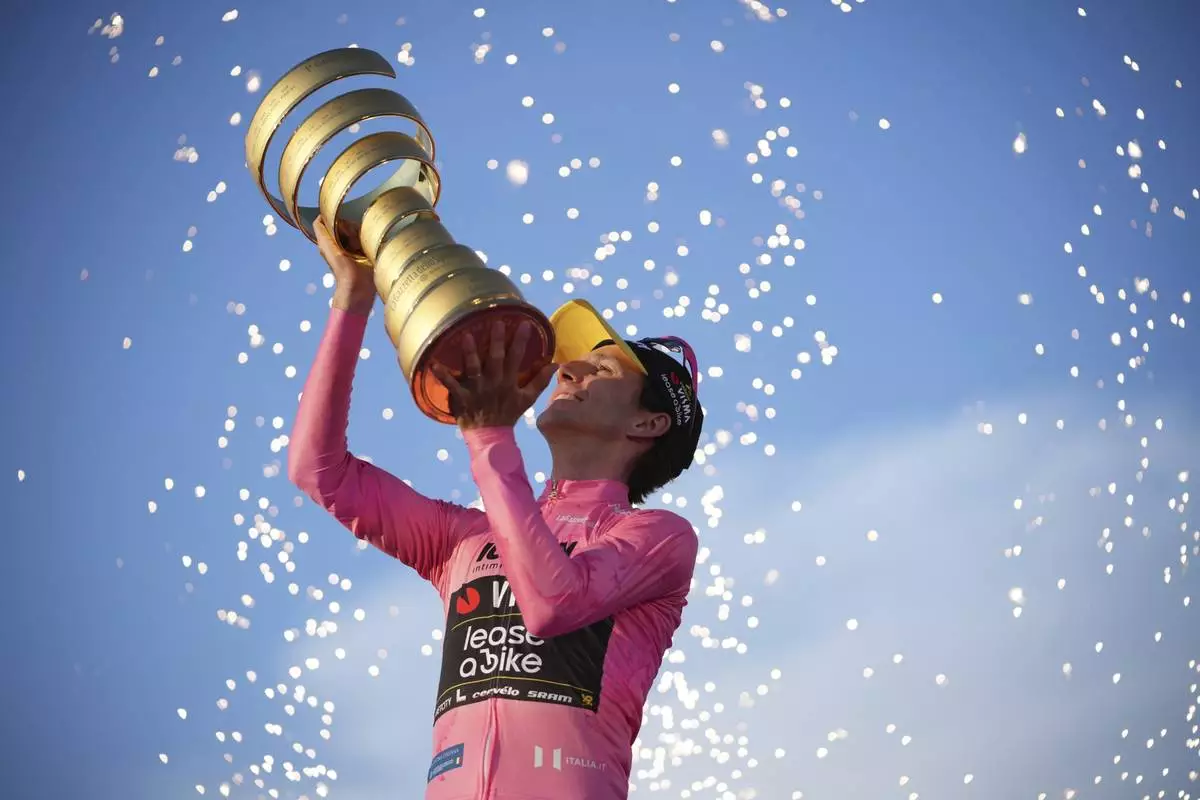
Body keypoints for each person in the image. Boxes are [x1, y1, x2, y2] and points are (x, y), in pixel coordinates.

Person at [288, 219, 705, 800]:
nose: (569, 368)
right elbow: (318, 469)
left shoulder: (658, 537)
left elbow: (553, 603)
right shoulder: (462, 540)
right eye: (574, 362)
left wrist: (489, 438)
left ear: (648, 423)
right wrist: (353, 298)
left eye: (601, 368)